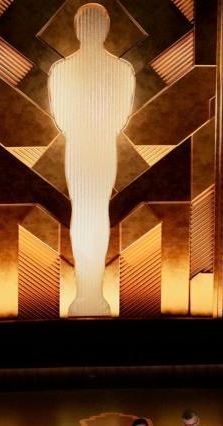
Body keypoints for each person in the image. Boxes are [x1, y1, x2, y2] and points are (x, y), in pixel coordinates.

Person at [47, 3, 134, 316]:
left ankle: (91, 293)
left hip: (93, 147)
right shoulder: (66, 70)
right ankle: (88, 292)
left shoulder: (118, 70)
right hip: (89, 147)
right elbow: (116, 117)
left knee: (92, 212)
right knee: (88, 212)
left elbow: (66, 118)